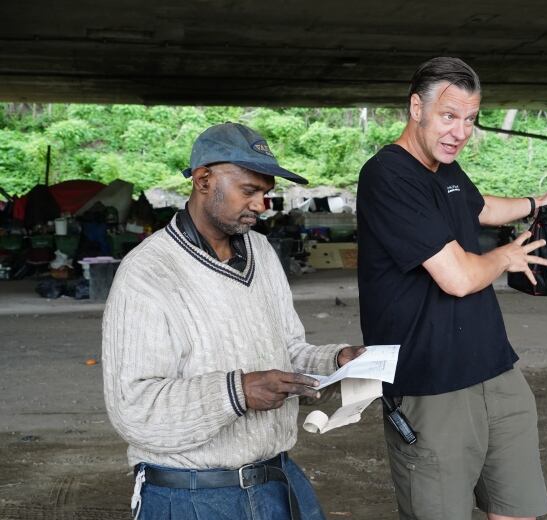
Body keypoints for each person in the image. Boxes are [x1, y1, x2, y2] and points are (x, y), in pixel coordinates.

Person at [102, 122, 364, 520]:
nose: (261, 205)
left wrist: (336, 361)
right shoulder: (148, 272)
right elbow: (134, 408)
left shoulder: (262, 251)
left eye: (266, 193)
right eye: (250, 191)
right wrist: (236, 392)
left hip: (276, 478)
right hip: (189, 495)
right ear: (204, 180)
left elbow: (288, 350)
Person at [356, 57, 547, 520]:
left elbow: (479, 208)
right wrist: (507, 257)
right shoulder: (388, 176)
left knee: (518, 508)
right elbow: (457, 278)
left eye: (470, 119)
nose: (460, 131)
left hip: (493, 367)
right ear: (416, 107)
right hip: (431, 382)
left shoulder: (446, 168)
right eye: (449, 116)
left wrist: (536, 203)